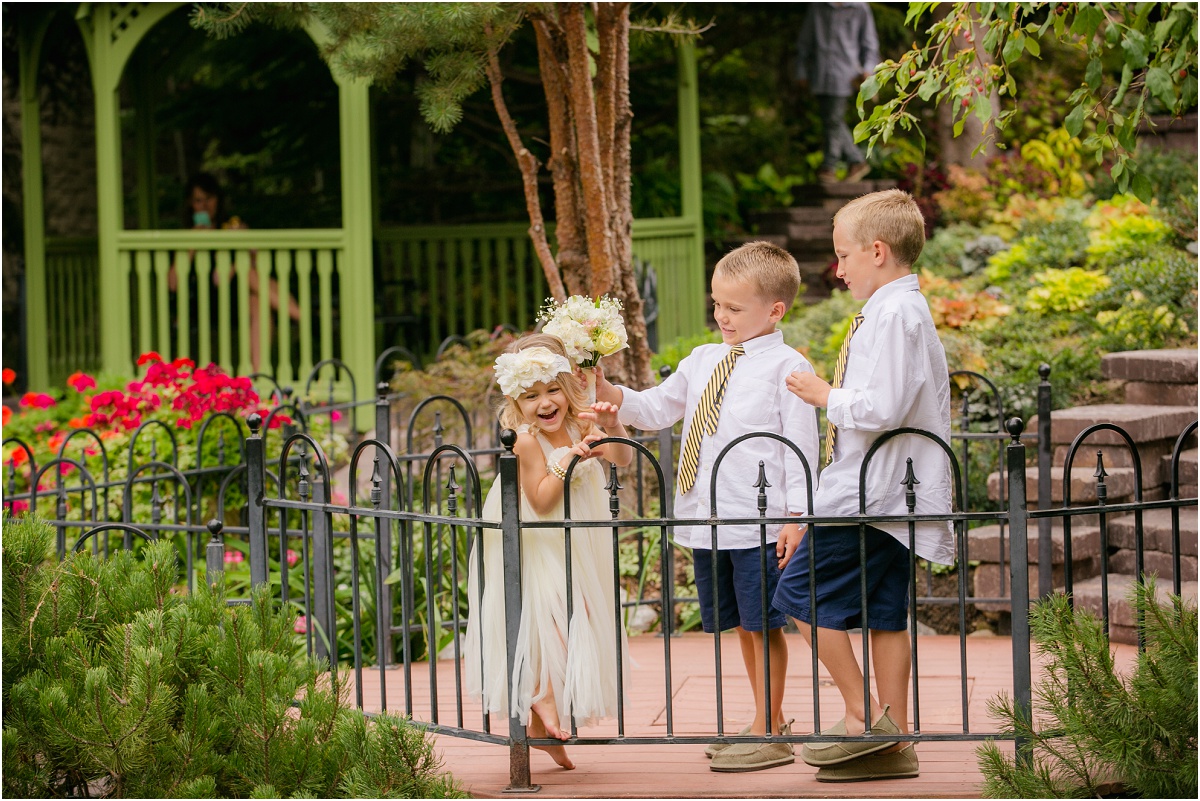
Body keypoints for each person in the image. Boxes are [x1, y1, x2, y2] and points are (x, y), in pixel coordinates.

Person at [595, 241, 820, 773]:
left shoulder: (789, 368)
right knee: (743, 624)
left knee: (764, 623)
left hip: (759, 521)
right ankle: (769, 716)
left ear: (775, 310)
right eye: (716, 304)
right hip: (708, 517)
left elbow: (801, 450)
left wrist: (797, 517)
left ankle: (770, 728)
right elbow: (657, 408)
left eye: (735, 308)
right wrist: (610, 391)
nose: (721, 315)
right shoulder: (703, 359)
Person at [774, 189, 954, 782]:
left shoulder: (896, 312)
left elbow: (886, 405)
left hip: (872, 494)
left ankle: (867, 721)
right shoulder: (894, 309)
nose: (838, 267)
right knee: (884, 615)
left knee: (798, 594)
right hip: (885, 491)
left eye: (843, 255)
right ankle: (893, 743)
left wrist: (826, 395)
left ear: (877, 251)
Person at [464, 333, 634, 772]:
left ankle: (544, 728)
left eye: (552, 389)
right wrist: (567, 459)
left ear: (568, 385)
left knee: (584, 617)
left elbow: (621, 458)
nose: (545, 402)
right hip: (537, 537)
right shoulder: (523, 440)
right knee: (552, 613)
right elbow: (540, 499)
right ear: (516, 403)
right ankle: (541, 697)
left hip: (577, 538)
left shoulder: (581, 421)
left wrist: (611, 425)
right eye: (531, 395)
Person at [170, 173, 301, 372]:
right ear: (190, 204)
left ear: (218, 200)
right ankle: (302, 316)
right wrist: (193, 242)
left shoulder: (227, 228)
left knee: (257, 300)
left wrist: (246, 243)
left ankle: (258, 375)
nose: (205, 205)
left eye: (210, 198)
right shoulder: (186, 236)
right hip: (203, 302)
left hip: (234, 298)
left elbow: (248, 266)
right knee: (246, 271)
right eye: (198, 200)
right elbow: (173, 283)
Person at [795, 3, 880, 184]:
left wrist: (867, 71)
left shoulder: (859, 8)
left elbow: (870, 45)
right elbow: (804, 42)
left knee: (832, 119)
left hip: (846, 74)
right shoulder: (817, 7)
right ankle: (847, 163)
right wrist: (801, 71)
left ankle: (834, 164)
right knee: (830, 119)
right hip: (820, 73)